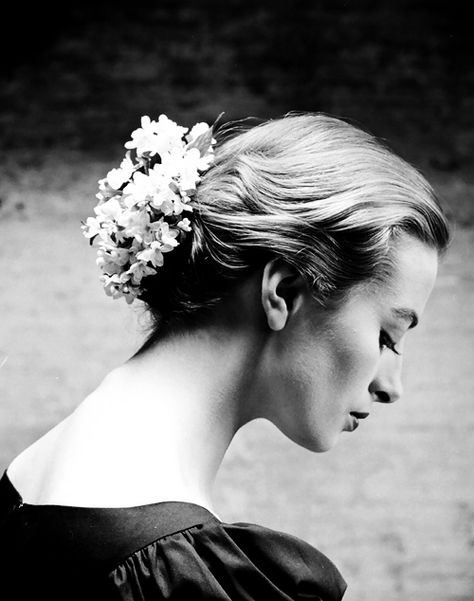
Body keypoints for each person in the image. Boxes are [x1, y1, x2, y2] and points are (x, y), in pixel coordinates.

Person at [0, 112, 450, 600]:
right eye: (387, 335)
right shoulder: (186, 579)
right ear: (285, 290)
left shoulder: (28, 482)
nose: (391, 386)